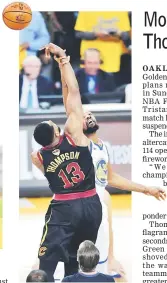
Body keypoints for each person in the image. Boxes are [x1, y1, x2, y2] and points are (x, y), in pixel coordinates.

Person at [31, 43, 102, 282]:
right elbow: (73, 92)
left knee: (46, 266)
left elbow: (67, 99)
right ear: (56, 132)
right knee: (76, 261)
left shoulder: (38, 156)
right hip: (90, 205)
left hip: (64, 207)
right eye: (52, 123)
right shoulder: (75, 135)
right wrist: (63, 59)